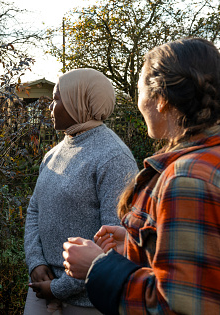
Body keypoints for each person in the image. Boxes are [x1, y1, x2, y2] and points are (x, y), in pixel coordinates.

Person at [63, 37, 220, 315]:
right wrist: (141, 244)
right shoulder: (209, 158)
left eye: (139, 91)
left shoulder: (187, 179)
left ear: (160, 99)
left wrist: (99, 266)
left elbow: (176, 306)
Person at [24, 68, 138, 314]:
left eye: (56, 98)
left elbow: (113, 244)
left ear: (79, 101)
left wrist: (60, 288)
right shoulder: (53, 154)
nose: (50, 107)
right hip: (41, 289)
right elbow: (35, 208)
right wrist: (36, 262)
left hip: (87, 300)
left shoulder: (114, 157)